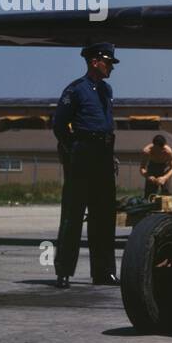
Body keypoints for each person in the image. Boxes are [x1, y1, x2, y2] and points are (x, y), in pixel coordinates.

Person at [51, 42, 120, 288]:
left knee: (104, 215)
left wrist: (108, 155)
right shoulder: (76, 89)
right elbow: (59, 126)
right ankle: (64, 271)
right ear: (94, 61)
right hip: (83, 153)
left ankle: (104, 272)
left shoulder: (106, 90)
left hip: (103, 153)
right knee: (73, 212)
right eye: (108, 62)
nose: (111, 67)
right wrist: (73, 151)